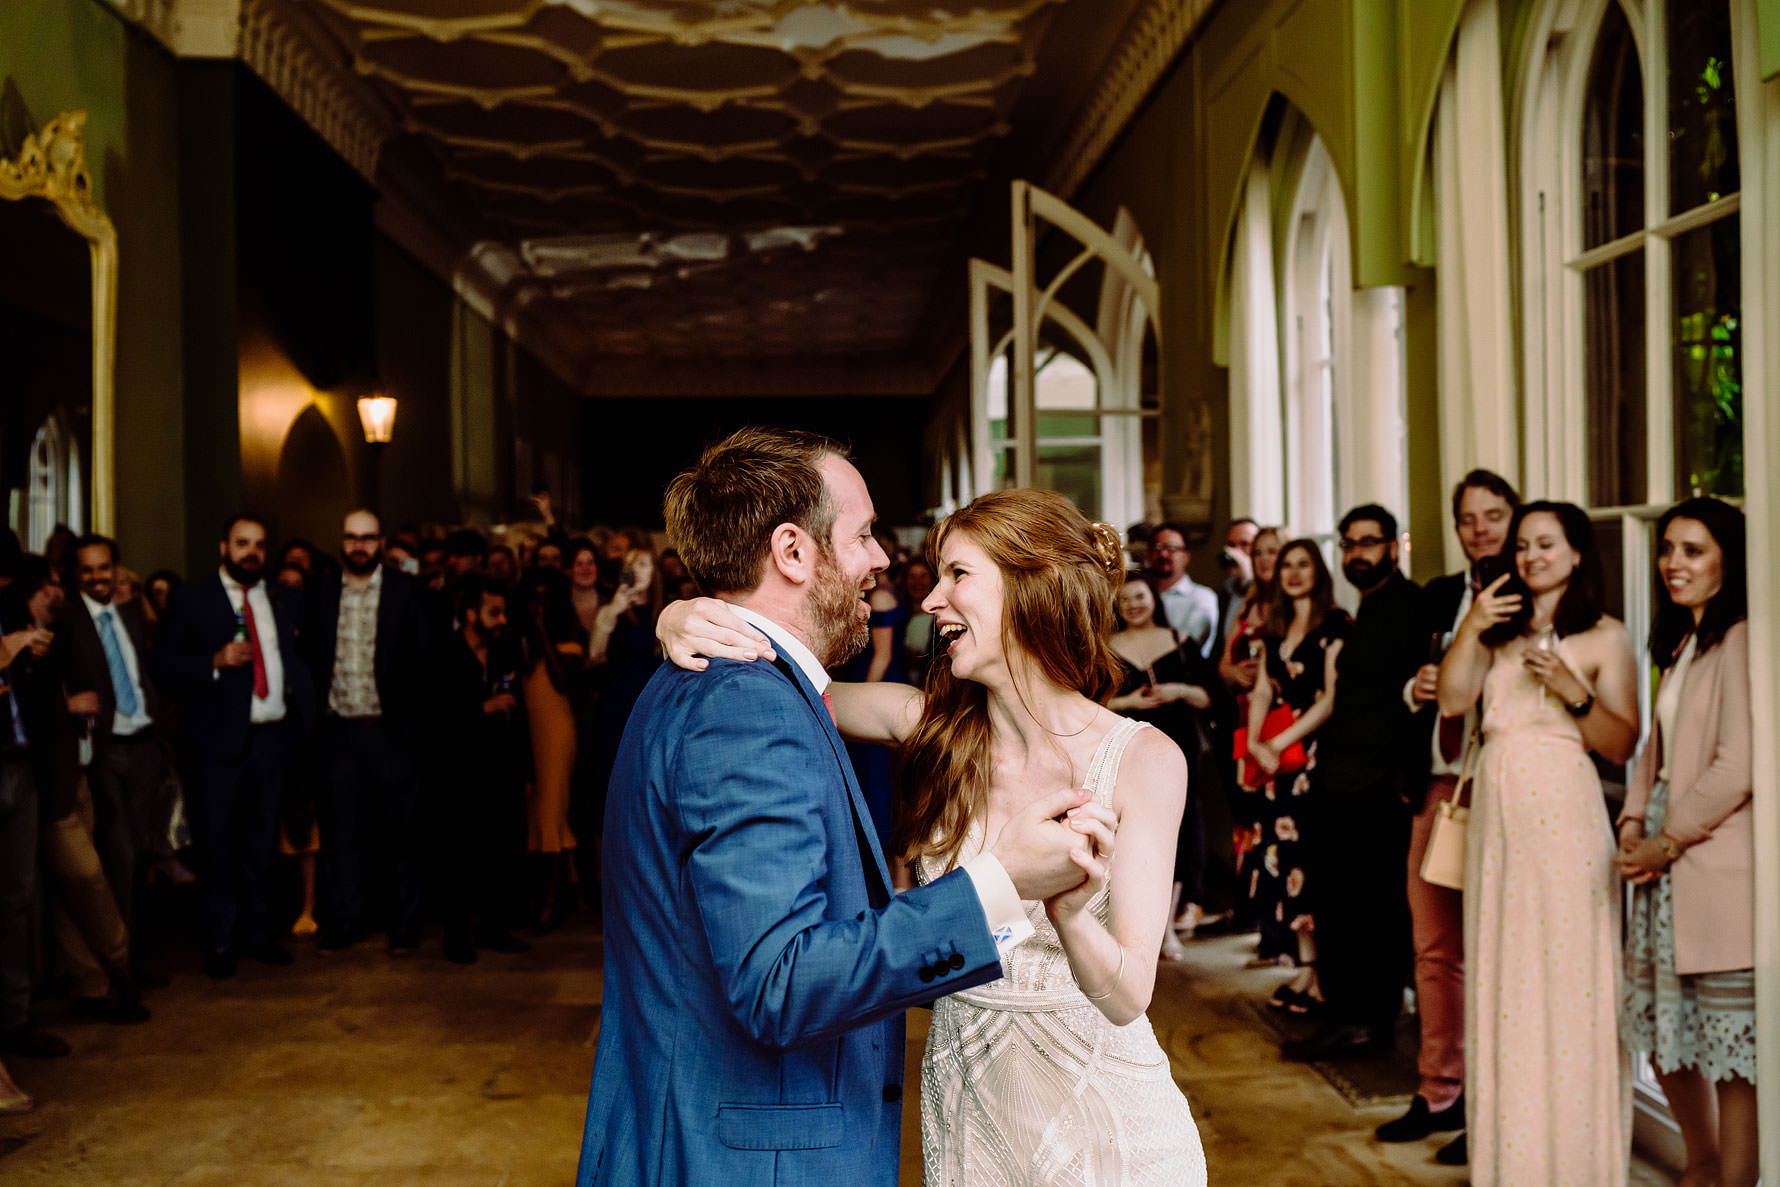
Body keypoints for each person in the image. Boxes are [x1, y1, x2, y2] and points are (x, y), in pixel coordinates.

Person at [579, 429, 1101, 1187]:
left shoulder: (733, 679)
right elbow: (780, 982)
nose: (886, 561)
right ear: (793, 551)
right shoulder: (744, 706)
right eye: (862, 536)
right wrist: (1000, 881)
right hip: (741, 1159)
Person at [658, 481, 1209, 1185]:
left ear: (1030, 582)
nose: (930, 599)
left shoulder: (1145, 759)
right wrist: (683, 616)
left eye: (958, 574)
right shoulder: (925, 725)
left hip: (1107, 1128)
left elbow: (1131, 992)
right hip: (969, 1116)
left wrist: (1070, 914)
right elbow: (781, 682)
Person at [1437, 500, 1639, 1187]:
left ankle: (1576, 1163)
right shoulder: (1498, 633)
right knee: (1505, 978)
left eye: (1546, 544)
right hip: (1499, 821)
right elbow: (1452, 704)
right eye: (1522, 545)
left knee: (1567, 980)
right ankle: (1513, 1163)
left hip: (1566, 815)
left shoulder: (1606, 636)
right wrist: (1470, 625)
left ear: (1577, 553)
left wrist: (1574, 693)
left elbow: (1621, 744)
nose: (1531, 556)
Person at [1375, 469, 1518, 1157]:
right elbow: (1394, 681)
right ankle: (1439, 1090)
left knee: (1497, 950)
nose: (1481, 529)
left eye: (1494, 515)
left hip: (1503, 791)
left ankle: (1491, 1106)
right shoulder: (1436, 596)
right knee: (1434, 950)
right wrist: (1414, 687)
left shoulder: (1531, 598)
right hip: (1437, 790)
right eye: (1469, 518)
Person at [1616, 498, 1757, 1187]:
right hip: (1661, 853)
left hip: (1714, 858)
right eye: (1668, 548)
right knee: (1663, 1029)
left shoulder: (1745, 638)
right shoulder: (1679, 642)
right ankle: (1698, 1165)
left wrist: (1666, 840)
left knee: (1730, 1049)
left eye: (1693, 549)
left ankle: (1730, 1179)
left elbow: (1740, 762)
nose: (1674, 562)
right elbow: (1653, 751)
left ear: (1729, 558)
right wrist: (1632, 824)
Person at [1280, 506, 1426, 1062]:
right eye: (1349, 544)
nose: (1357, 554)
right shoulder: (1359, 613)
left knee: (1372, 911)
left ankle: (1367, 1022)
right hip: (1341, 783)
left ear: (1394, 546)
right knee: (1340, 904)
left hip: (1377, 789)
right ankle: (1346, 1017)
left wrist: (1397, 783)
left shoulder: (1409, 608)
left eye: (1369, 543)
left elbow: (1406, 703)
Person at [155, 514, 314, 979]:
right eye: (242, 544)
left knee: (262, 842)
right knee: (219, 844)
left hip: (273, 738)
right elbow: (163, 663)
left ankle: (259, 934)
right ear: (224, 547)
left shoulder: (280, 597)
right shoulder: (192, 599)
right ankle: (220, 941)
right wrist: (214, 660)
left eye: (260, 545)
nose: (252, 553)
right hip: (219, 743)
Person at [306, 510, 438, 955]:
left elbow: (424, 667)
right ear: (341, 542)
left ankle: (403, 927)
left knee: (401, 834)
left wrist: (414, 734)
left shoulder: (408, 594)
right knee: (342, 834)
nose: (358, 545)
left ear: (380, 542)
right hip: (338, 733)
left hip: (391, 733)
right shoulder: (320, 593)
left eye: (367, 538)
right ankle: (346, 922)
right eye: (350, 538)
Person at [1243, 539, 1346, 1008]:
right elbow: (1262, 689)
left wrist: (1277, 744)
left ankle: (1328, 972)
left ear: (1318, 571)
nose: (1294, 573)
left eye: (1304, 564)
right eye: (1287, 565)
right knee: (1286, 866)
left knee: (1315, 862)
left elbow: (1329, 697)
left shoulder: (1335, 624)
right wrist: (1254, 742)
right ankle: (1305, 968)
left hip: (1316, 759)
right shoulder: (1273, 627)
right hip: (1275, 763)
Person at [56, 535, 169, 961]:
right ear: (74, 573)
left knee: (139, 853)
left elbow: (149, 666)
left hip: (144, 745)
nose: (97, 576)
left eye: (104, 567)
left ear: (117, 569)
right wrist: (64, 706)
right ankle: (118, 963)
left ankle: (135, 951)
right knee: (118, 854)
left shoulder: (130, 611)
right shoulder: (66, 621)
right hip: (104, 750)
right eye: (87, 569)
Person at [1109, 570, 1228, 957]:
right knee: (1125, 830)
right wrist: (1129, 703)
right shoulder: (1104, 647)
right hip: (1125, 745)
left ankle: (1167, 926)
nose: (1133, 604)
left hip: (1178, 748)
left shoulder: (1180, 642)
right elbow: (1084, 701)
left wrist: (1178, 689)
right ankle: (1128, 923)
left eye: (1139, 596)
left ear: (1153, 598)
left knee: (1182, 828)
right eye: (1125, 599)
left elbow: (1213, 697)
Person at [0, 560, 74, 1058]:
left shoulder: (12, 619)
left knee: (18, 899)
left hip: (19, 764)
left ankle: (16, 1017)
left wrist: (30, 654)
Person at [439, 577, 531, 964]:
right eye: (493, 612)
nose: (501, 619)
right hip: (459, 772)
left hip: (501, 768)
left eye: (503, 611)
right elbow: (432, 714)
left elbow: (520, 711)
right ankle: (457, 936)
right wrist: (481, 709)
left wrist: (527, 772)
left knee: (501, 849)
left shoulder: (505, 650)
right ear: (471, 613)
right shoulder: (445, 651)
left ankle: (495, 927)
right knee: (461, 855)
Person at [516, 565, 583, 928]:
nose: (537, 603)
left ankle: (551, 902)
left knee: (552, 812)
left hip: (557, 732)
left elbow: (562, 681)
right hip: (529, 734)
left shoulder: (569, 634)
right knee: (536, 810)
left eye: (545, 596)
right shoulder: (522, 638)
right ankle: (561, 892)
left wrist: (542, 629)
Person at [1148, 523, 1220, 656]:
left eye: (1171, 548)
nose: (1163, 554)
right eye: (1158, 547)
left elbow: (1189, 644)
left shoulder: (1203, 597)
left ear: (1186, 556)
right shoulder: (1141, 597)